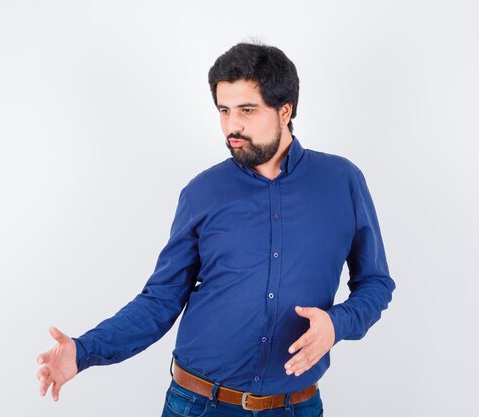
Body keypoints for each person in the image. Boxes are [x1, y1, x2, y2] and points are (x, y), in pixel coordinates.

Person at [36, 42, 396, 416]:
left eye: (247, 110)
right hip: (199, 404)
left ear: (285, 110)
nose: (232, 126)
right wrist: (84, 350)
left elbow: (375, 283)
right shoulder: (202, 192)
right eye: (224, 110)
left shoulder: (342, 182)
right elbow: (161, 300)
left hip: (296, 407)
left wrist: (336, 325)